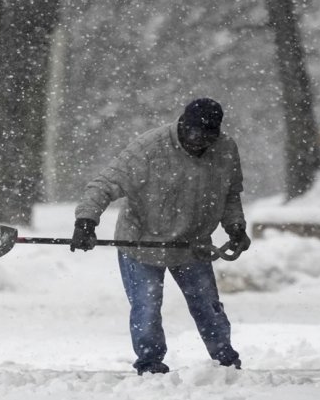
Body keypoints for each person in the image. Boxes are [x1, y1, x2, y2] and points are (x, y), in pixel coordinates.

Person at [71, 97, 251, 375]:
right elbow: (104, 185)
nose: (198, 142)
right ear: (182, 125)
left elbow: (230, 194)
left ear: (216, 134)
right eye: (192, 133)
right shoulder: (149, 149)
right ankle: (150, 362)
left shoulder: (225, 150)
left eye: (207, 136)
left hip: (193, 244)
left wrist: (235, 227)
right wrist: (86, 221)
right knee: (147, 307)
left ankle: (225, 359)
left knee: (208, 307)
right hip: (142, 242)